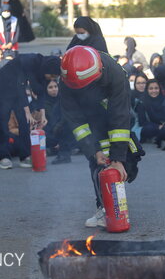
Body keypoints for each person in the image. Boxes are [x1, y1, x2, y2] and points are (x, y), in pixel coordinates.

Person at [59, 46, 144, 228]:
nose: (87, 90)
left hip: (111, 111)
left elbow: (119, 117)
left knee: (121, 161)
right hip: (88, 117)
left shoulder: (114, 72)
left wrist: (118, 157)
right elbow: (76, 122)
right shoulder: (66, 79)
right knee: (98, 162)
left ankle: (114, 206)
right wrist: (93, 150)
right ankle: (104, 208)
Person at [137, 79, 165, 144]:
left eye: (156, 88)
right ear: (147, 89)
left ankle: (160, 139)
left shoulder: (164, 100)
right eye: (151, 88)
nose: (154, 91)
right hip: (151, 127)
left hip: (164, 126)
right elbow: (142, 122)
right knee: (147, 129)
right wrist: (158, 127)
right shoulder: (142, 102)